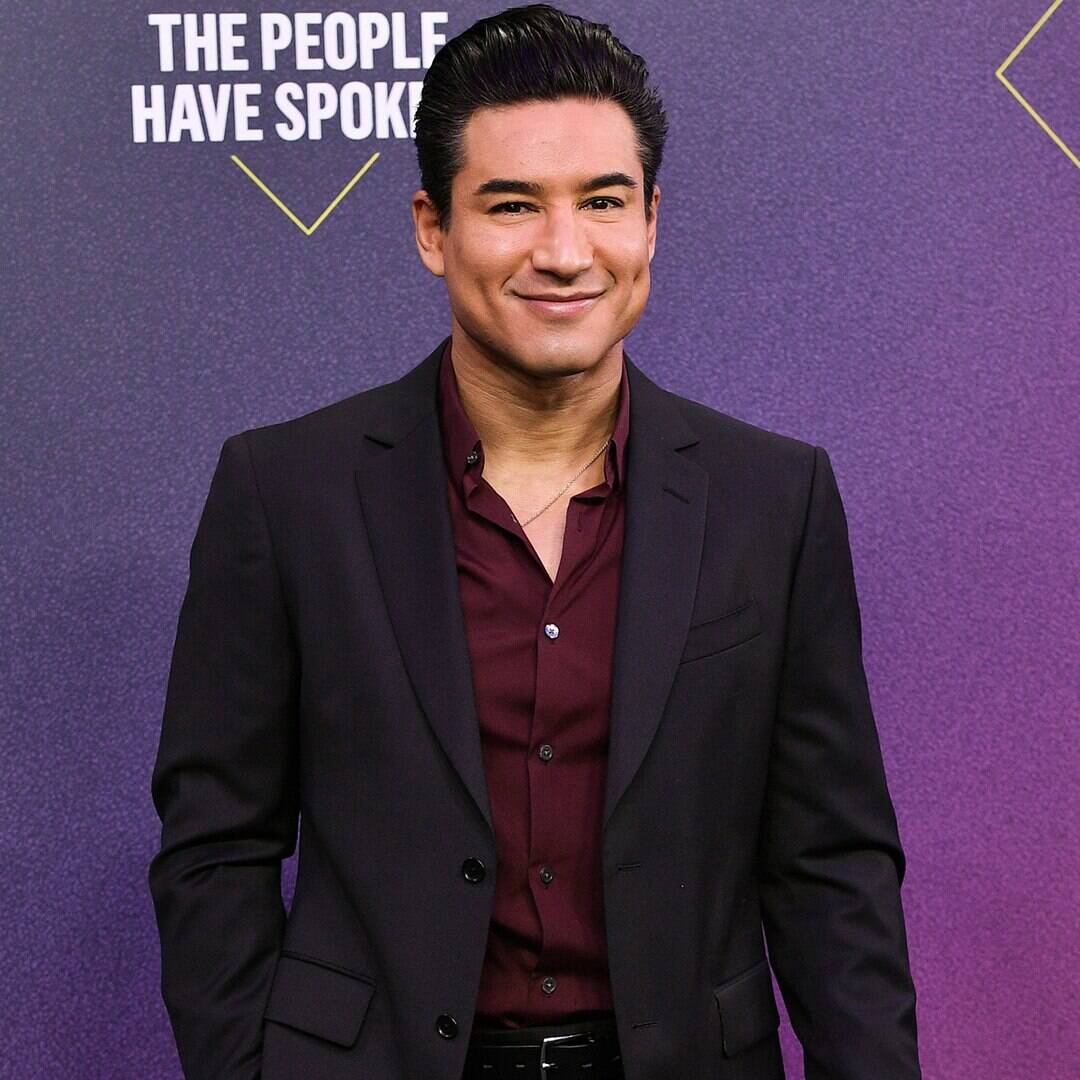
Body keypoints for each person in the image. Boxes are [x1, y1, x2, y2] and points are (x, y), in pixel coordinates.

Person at [148, 5, 921, 1078]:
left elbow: (831, 864)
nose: (564, 253)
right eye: (512, 205)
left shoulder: (772, 499)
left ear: (651, 219)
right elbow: (215, 846)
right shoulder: (286, 493)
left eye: (602, 201)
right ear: (433, 229)